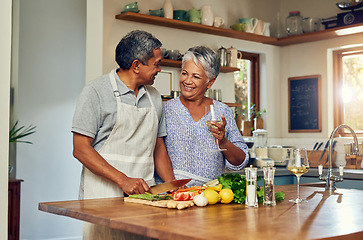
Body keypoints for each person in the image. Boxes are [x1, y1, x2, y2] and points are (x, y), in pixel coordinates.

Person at [72, 30, 175, 239]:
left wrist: (174, 187)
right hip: (102, 196)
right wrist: (123, 180)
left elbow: (159, 148)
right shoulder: (95, 92)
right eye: (155, 64)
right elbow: (80, 149)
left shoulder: (154, 97)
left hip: (144, 196)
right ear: (136, 65)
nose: (159, 69)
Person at [162, 46, 249, 187]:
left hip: (210, 197)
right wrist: (173, 185)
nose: (187, 81)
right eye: (184, 73)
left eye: (195, 76)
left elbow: (240, 162)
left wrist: (223, 141)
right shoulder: (165, 109)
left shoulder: (222, 111)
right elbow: (156, 153)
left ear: (210, 82)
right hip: (173, 196)